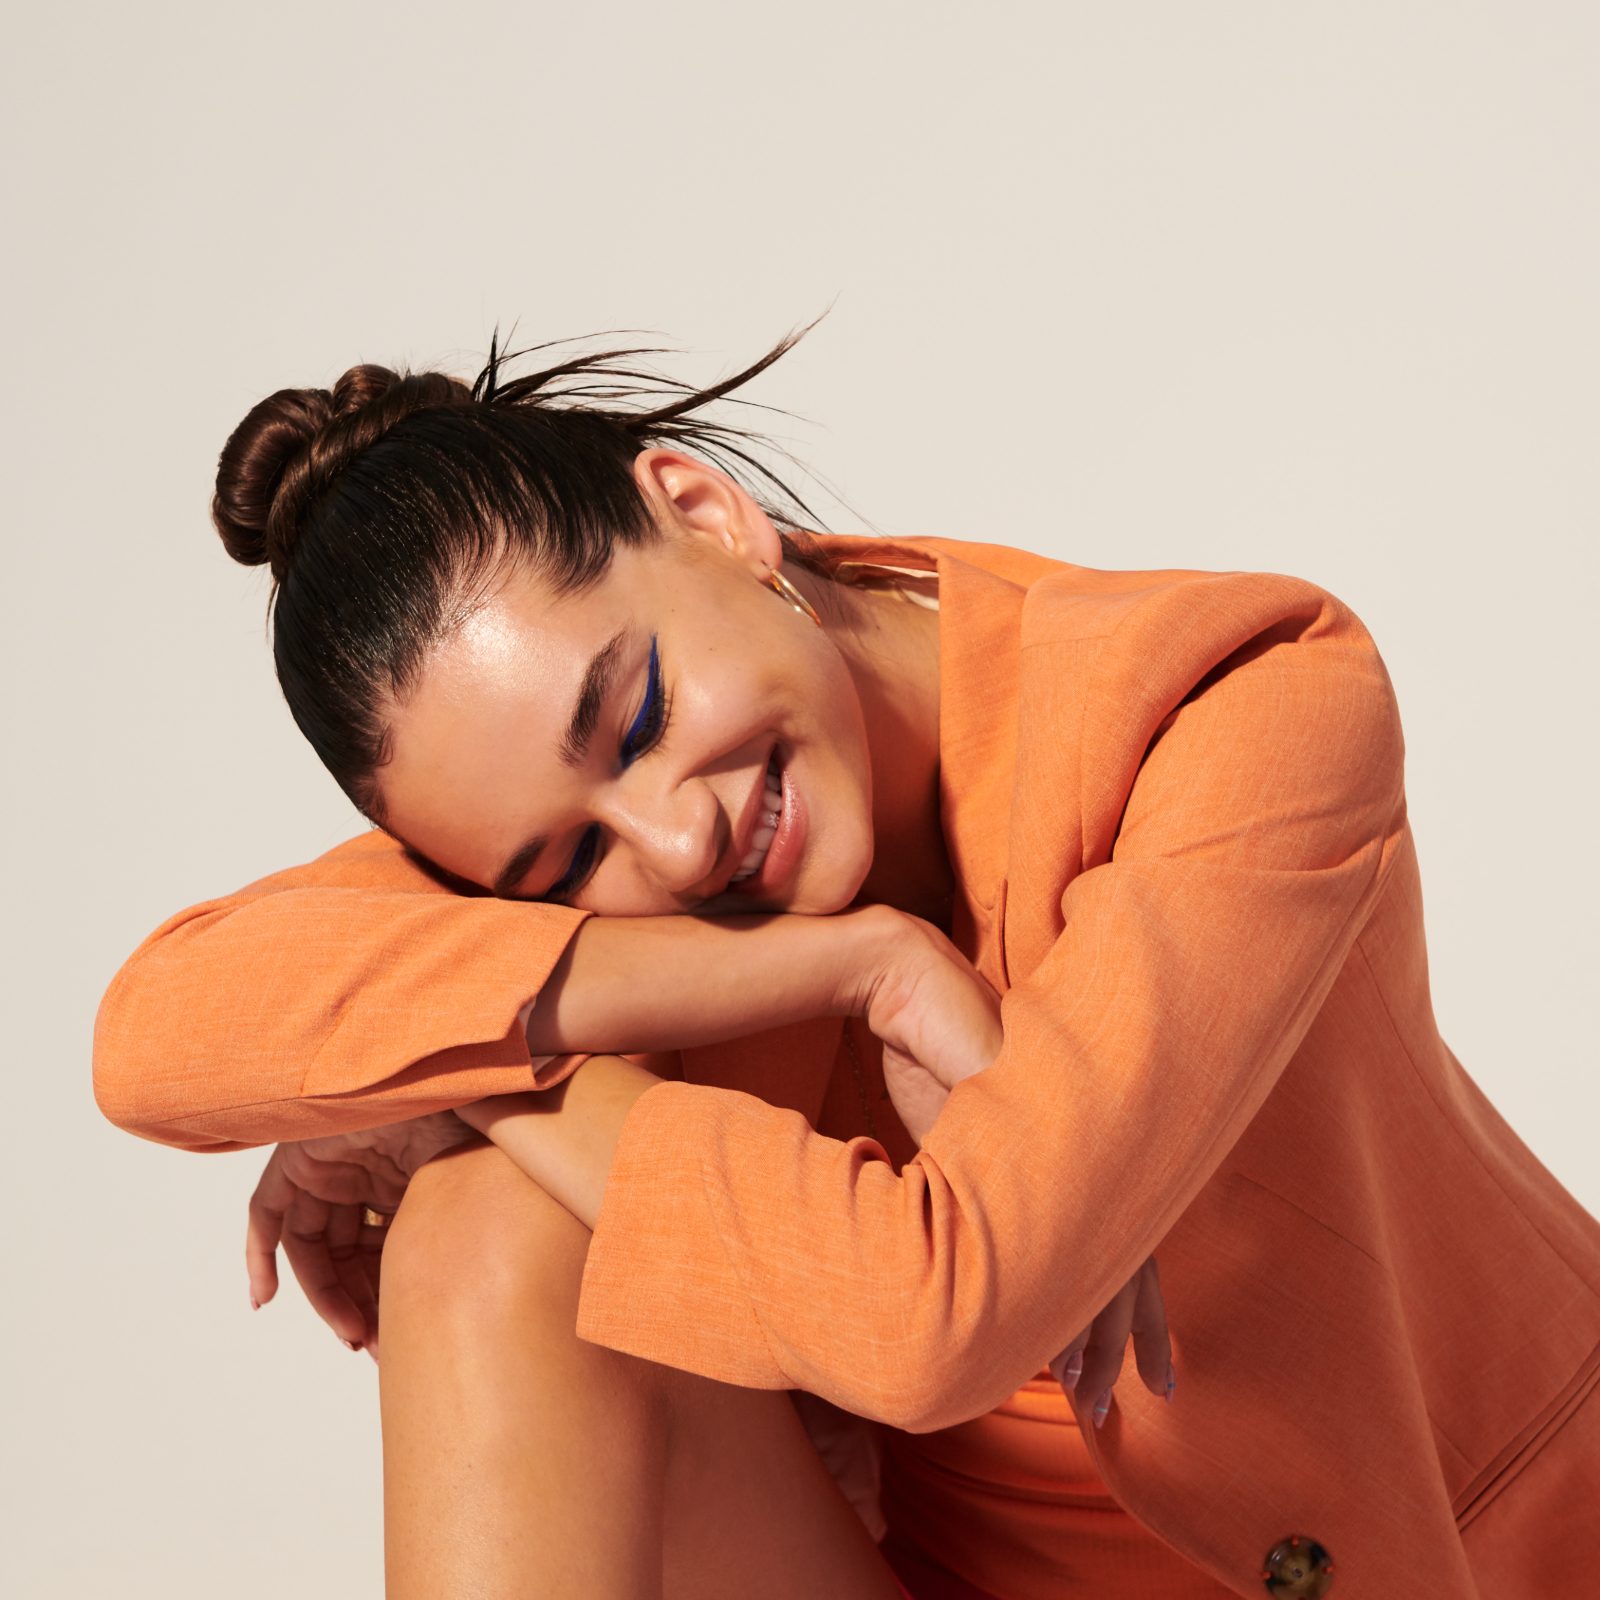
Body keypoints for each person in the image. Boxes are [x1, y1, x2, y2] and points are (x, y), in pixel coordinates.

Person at [93, 321, 1600, 1599]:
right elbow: (158, 1029)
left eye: (631, 718)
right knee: (483, 1241)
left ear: (704, 514)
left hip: (1451, 1558)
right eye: (564, 869)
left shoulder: (1237, 706)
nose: (671, 847)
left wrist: (492, 1082)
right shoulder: (607, 862)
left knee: (495, 1161)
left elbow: (937, 1314)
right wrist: (849, 966)